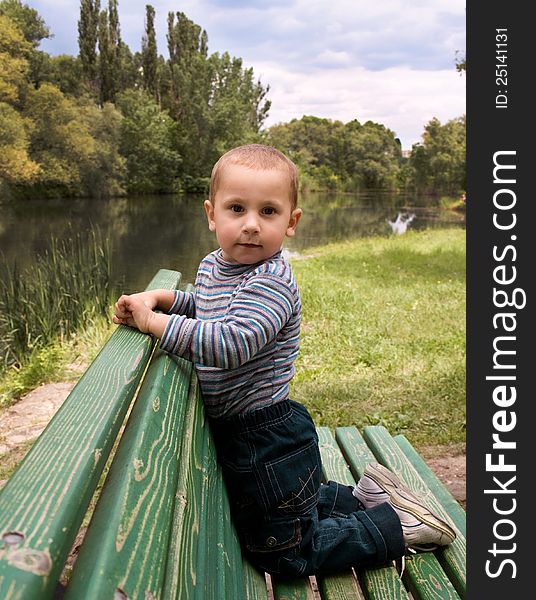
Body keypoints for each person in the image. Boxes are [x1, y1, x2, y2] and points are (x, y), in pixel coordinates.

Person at [113, 144, 456, 577]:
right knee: (296, 507)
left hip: (265, 439)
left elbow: (230, 342)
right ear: (211, 214)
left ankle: (397, 525)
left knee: (285, 553)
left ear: (291, 222)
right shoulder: (215, 266)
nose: (251, 225)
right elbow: (210, 307)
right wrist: (162, 299)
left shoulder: (271, 281)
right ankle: (374, 495)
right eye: (237, 208)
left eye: (268, 212)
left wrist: (151, 323)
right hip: (257, 440)